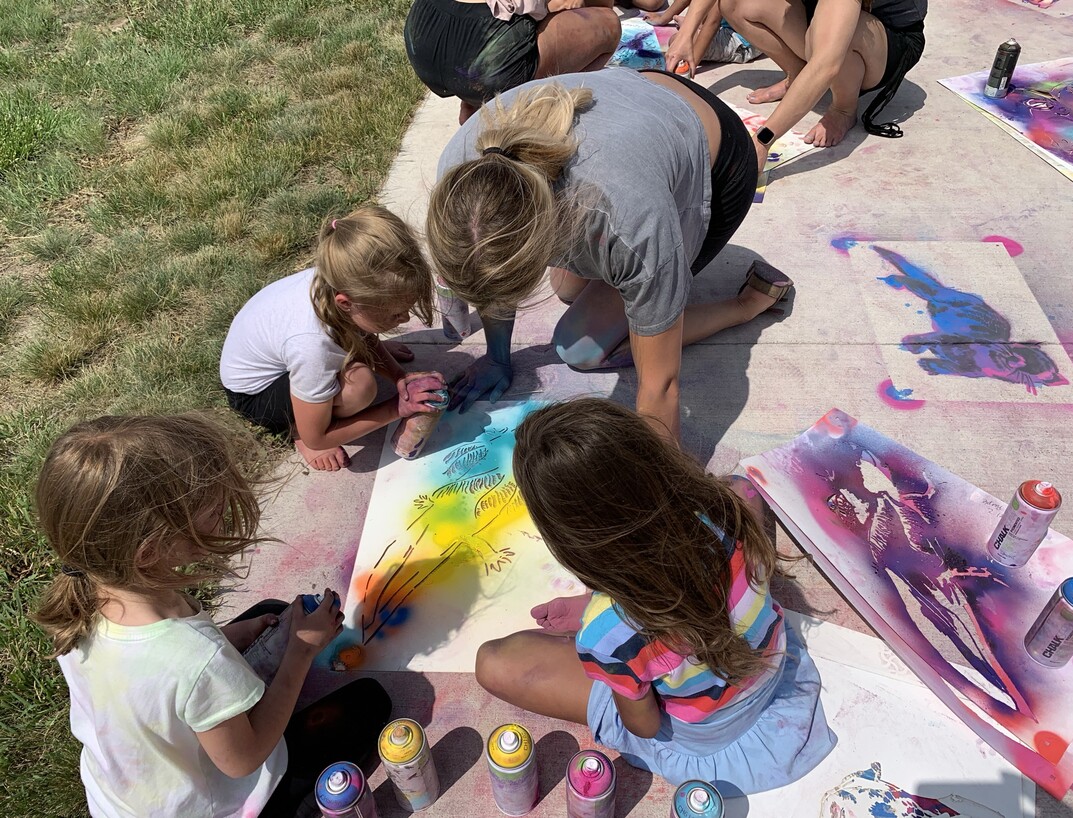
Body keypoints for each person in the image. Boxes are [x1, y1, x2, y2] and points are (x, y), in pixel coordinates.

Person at [32, 414, 392, 818]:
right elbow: (245, 758)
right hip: (208, 804)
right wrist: (300, 654)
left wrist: (228, 636)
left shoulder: (86, 599)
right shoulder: (194, 660)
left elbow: (150, 674)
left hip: (128, 796)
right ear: (150, 551)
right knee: (369, 704)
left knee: (273, 615)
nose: (223, 518)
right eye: (213, 513)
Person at [475, 398, 836, 791]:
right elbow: (684, 588)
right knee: (744, 488)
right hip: (772, 673)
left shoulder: (608, 632)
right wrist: (592, 610)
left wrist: (601, 633)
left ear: (569, 537)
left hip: (708, 738)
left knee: (495, 662)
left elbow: (644, 725)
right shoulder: (732, 509)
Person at [427, 69, 791, 442]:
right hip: (637, 96)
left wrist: (664, 490)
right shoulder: (461, 177)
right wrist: (497, 357)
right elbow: (488, 263)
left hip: (720, 163)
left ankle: (746, 305)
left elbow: (660, 388)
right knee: (569, 290)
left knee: (580, 347)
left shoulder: (629, 221)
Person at [220, 205, 447, 472]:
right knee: (359, 386)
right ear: (346, 303)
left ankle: (333, 383)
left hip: (276, 353)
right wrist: (397, 408)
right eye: (396, 314)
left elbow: (359, 328)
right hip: (258, 394)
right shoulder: (311, 345)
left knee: (359, 347)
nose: (406, 319)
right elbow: (320, 438)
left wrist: (398, 377)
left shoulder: (343, 280)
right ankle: (296, 430)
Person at [667, 0, 927, 156]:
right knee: (737, 3)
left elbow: (826, 63)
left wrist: (763, 141)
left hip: (888, 41)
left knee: (827, 41)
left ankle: (843, 108)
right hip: (828, 17)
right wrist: (688, 35)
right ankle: (798, 75)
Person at [403, 0, 621, 124]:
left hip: (423, 35)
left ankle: (475, 103)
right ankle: (535, 117)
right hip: (484, 61)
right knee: (607, 24)